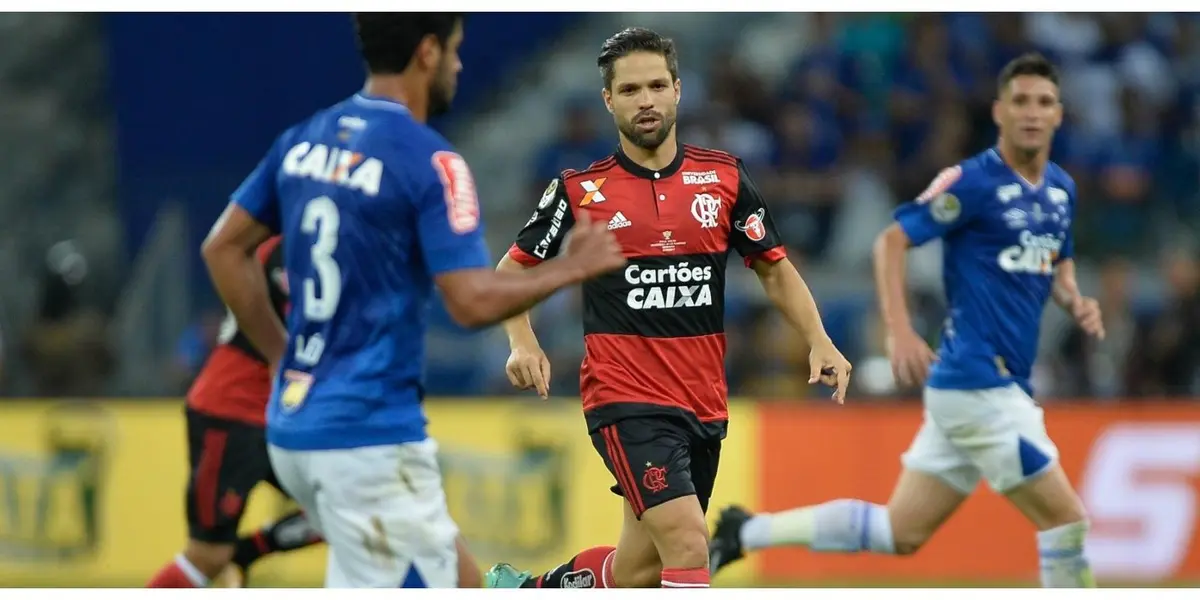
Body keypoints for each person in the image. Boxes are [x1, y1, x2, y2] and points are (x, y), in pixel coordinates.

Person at [199, 13, 625, 589]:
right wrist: (572, 268)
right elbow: (471, 302)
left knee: (457, 583)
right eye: (454, 50)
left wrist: (281, 359)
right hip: (367, 434)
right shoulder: (428, 160)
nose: (459, 64)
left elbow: (222, 248)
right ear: (427, 52)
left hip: (294, 426)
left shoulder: (303, 140)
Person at [708, 53, 1102, 589]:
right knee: (1066, 522)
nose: (1032, 112)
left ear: (1059, 113)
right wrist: (900, 330)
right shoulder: (972, 181)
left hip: (987, 388)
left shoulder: (1061, 190)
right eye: (1020, 101)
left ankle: (746, 532)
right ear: (999, 112)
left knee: (902, 531)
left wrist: (1074, 296)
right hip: (979, 386)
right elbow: (893, 240)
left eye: (1044, 102)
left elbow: (1056, 256)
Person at [484, 27, 851, 590]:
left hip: (702, 399)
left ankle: (534, 589)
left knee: (641, 569)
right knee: (687, 542)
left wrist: (819, 338)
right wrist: (523, 340)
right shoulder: (579, 190)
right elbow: (512, 270)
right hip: (625, 397)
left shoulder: (724, 177)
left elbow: (774, 268)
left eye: (657, 85)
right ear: (609, 101)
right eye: (630, 90)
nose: (646, 100)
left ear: (679, 90)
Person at [147, 236, 327, 588]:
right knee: (208, 555)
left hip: (285, 416)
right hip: (230, 412)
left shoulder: (319, 240)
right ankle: (235, 555)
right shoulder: (283, 247)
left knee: (352, 507)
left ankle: (247, 552)